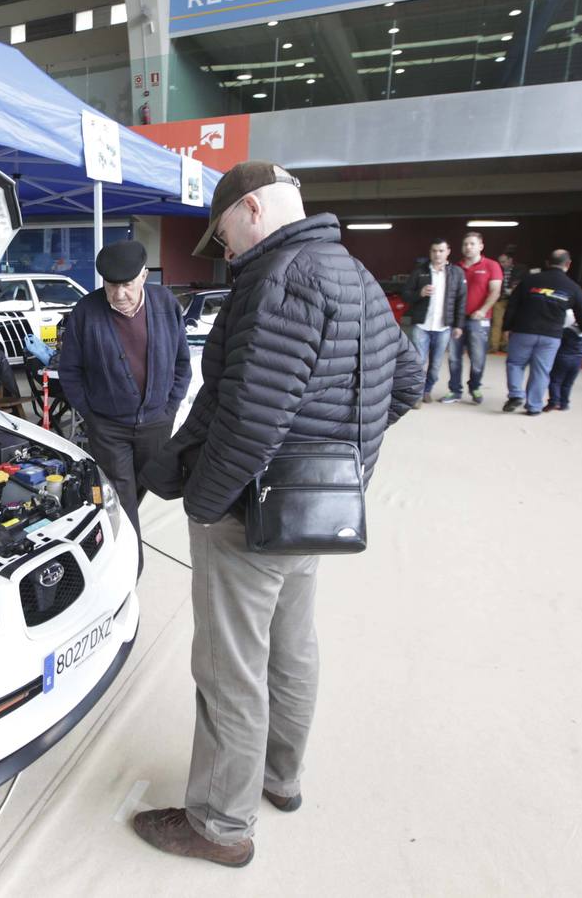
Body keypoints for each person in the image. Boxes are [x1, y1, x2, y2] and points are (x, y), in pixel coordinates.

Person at [132, 161, 423, 868]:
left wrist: (201, 505)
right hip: (314, 511)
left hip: (249, 515)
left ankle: (218, 825)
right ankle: (279, 778)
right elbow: (410, 381)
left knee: (230, 669)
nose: (224, 248)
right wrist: (337, 460)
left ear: (253, 209)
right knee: (292, 650)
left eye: (224, 232)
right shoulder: (351, 272)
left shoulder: (279, 277)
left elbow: (251, 421)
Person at [57, 239, 190, 573]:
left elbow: (182, 363)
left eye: (126, 285)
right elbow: (69, 371)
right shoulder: (86, 312)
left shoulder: (165, 304)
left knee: (149, 481)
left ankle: (127, 541)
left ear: (144, 276)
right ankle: (132, 569)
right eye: (111, 285)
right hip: (108, 426)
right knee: (121, 496)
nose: (118, 294)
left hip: (156, 422)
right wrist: (91, 414)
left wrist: (169, 406)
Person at [503, 249, 582, 415]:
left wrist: (507, 327)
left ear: (547, 263)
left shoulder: (529, 281)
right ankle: (534, 406)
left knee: (515, 363)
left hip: (524, 331)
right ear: (568, 264)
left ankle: (515, 394)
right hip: (551, 336)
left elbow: (512, 305)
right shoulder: (573, 288)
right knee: (541, 370)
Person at [401, 238, 466, 405]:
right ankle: (416, 394)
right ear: (430, 252)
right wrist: (420, 293)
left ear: (448, 251)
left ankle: (427, 390)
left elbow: (461, 300)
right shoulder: (419, 271)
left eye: (441, 251)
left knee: (436, 365)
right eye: (434, 251)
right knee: (418, 362)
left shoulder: (456, 273)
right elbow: (406, 294)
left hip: (443, 327)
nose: (437, 254)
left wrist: (458, 325)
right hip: (422, 325)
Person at [443, 232, 503, 404]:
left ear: (480, 246)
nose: (468, 247)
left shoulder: (491, 265)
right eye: (465, 244)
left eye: (472, 244)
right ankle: (455, 390)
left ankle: (475, 387)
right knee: (454, 357)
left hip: (479, 320)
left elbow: (495, 291)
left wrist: (483, 310)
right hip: (457, 320)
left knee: (477, 357)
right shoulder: (455, 268)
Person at [545, 310, 582, 411]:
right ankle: (564, 404)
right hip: (577, 361)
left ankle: (554, 401)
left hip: (562, 358)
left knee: (555, 381)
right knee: (568, 383)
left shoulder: (566, 331)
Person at [492, 250, 520, 352]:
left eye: (504, 261)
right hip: (500, 299)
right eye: (500, 262)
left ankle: (505, 345)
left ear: (510, 260)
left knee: (510, 324)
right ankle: (494, 345)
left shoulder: (519, 270)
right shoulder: (497, 270)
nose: (501, 264)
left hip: (513, 301)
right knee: (497, 323)